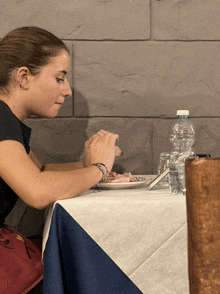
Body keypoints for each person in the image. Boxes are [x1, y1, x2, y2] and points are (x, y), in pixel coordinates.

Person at [0, 26, 118, 293]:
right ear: (23, 76)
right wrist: (99, 169)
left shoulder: (6, 118)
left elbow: (39, 170)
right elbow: (38, 191)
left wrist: (88, 164)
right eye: (59, 78)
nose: (67, 91)